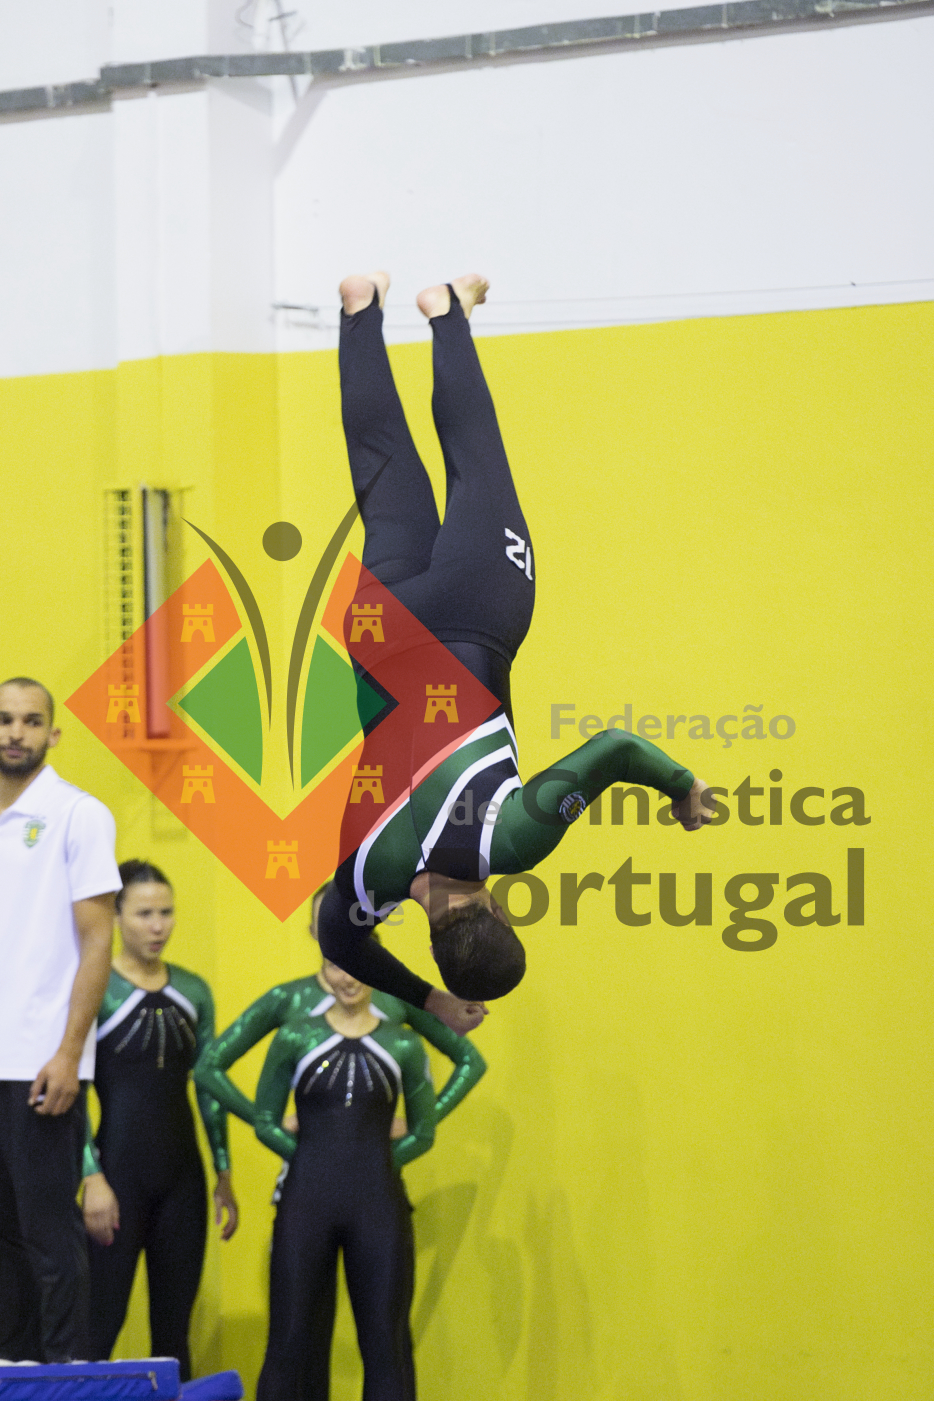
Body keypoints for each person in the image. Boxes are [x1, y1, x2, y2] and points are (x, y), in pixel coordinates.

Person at [316, 274, 713, 1034]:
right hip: (381, 634)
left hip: (477, 611)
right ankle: (360, 311)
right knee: (382, 469)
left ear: (498, 906)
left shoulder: (509, 837)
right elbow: (339, 936)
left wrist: (683, 788)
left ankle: (447, 314)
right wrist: (429, 1001)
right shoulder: (370, 877)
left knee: (477, 460)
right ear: (433, 941)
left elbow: (616, 747)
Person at [251, 960, 451, 1401]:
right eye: (335, 967)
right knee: (286, 1344)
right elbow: (264, 1120)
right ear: (322, 969)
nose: (348, 977)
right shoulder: (295, 1037)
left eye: (357, 967)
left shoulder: (403, 1044)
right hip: (306, 1205)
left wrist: (378, 1161)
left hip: (377, 1207)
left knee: (384, 1345)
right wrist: (309, 1159)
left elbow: (423, 1132)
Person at [0, 676, 120, 1363]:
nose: (15, 731)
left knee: (49, 1239)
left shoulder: (79, 814)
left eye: (30, 720)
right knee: (4, 1244)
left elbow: (97, 941)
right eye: (4, 719)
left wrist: (70, 1052)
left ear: (53, 733)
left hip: (40, 1067)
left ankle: (64, 1378)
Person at [82, 860, 237, 1379]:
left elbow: (208, 1089)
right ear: (117, 915)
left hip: (182, 1184)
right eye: (145, 913)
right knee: (99, 1329)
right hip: (116, 1180)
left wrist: (223, 1172)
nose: (158, 925)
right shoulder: (96, 988)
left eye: (167, 913)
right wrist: (91, 1176)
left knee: (174, 1337)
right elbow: (75, 1094)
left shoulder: (194, 992)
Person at [195, 881, 486, 1133]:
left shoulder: (395, 994)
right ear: (312, 930)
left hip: (377, 1166)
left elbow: (470, 1061)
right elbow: (208, 1067)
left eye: (346, 919)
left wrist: (422, 1123)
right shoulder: (287, 998)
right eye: (327, 921)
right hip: (307, 1166)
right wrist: (268, 1123)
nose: (338, 929)